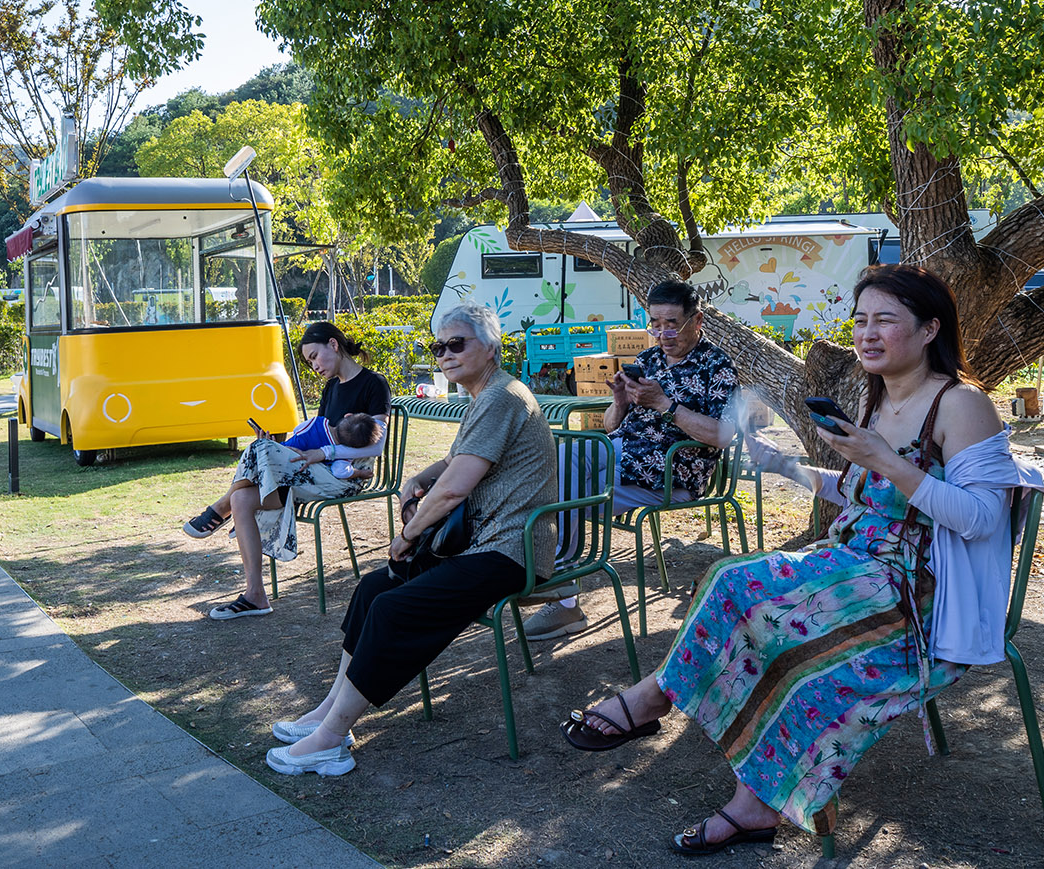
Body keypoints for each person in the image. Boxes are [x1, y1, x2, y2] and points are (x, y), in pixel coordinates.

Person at [561, 265, 1044, 854]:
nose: (867, 333)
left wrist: (886, 460)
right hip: (857, 561)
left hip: (919, 591)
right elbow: (864, 494)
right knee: (730, 581)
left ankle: (727, 775)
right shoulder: (880, 399)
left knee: (763, 606)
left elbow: (981, 518)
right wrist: (781, 464)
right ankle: (668, 705)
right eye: (860, 320)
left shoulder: (961, 403)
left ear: (928, 330)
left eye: (884, 320)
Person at [262, 301, 558, 776]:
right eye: (438, 346)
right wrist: (419, 476)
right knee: (372, 590)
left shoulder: (502, 396)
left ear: (490, 345)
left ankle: (331, 738)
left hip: (510, 551)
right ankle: (328, 713)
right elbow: (456, 464)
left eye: (456, 343)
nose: (445, 353)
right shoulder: (487, 396)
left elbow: (457, 487)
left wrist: (408, 534)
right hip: (481, 545)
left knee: (393, 608)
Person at [522, 279, 737, 642]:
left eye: (672, 323)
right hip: (623, 453)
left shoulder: (716, 365)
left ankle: (561, 592)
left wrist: (665, 405)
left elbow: (724, 435)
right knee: (556, 456)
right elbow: (609, 426)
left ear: (697, 320)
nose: (663, 333)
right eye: (655, 323)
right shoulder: (648, 359)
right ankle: (558, 583)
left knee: (571, 494)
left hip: (672, 470)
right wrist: (620, 401)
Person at [182, 321, 391, 620]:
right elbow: (321, 436)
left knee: (258, 451)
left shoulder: (374, 383)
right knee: (248, 488)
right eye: (309, 362)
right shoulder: (332, 388)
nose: (314, 366)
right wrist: (291, 450)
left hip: (346, 476)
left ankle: (219, 507)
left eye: (315, 357)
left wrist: (323, 453)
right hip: (314, 469)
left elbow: (376, 445)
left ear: (333, 344)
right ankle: (255, 595)